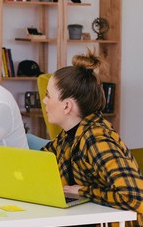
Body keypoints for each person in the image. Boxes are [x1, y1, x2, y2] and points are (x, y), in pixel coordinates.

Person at [41, 50, 143, 225]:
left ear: (67, 106)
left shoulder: (96, 139)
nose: (44, 101)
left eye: (48, 95)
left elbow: (134, 196)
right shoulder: (69, 136)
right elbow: (41, 160)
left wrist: (83, 191)